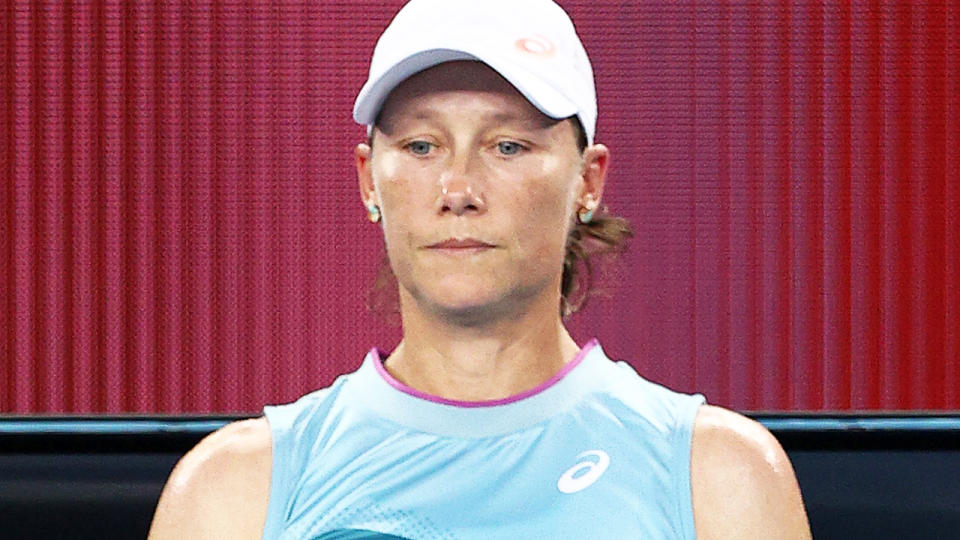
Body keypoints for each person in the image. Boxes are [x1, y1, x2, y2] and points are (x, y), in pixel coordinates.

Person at [149, 1, 812, 538]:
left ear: (588, 181)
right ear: (368, 180)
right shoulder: (233, 493)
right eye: (421, 144)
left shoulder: (718, 480)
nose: (458, 187)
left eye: (508, 144)